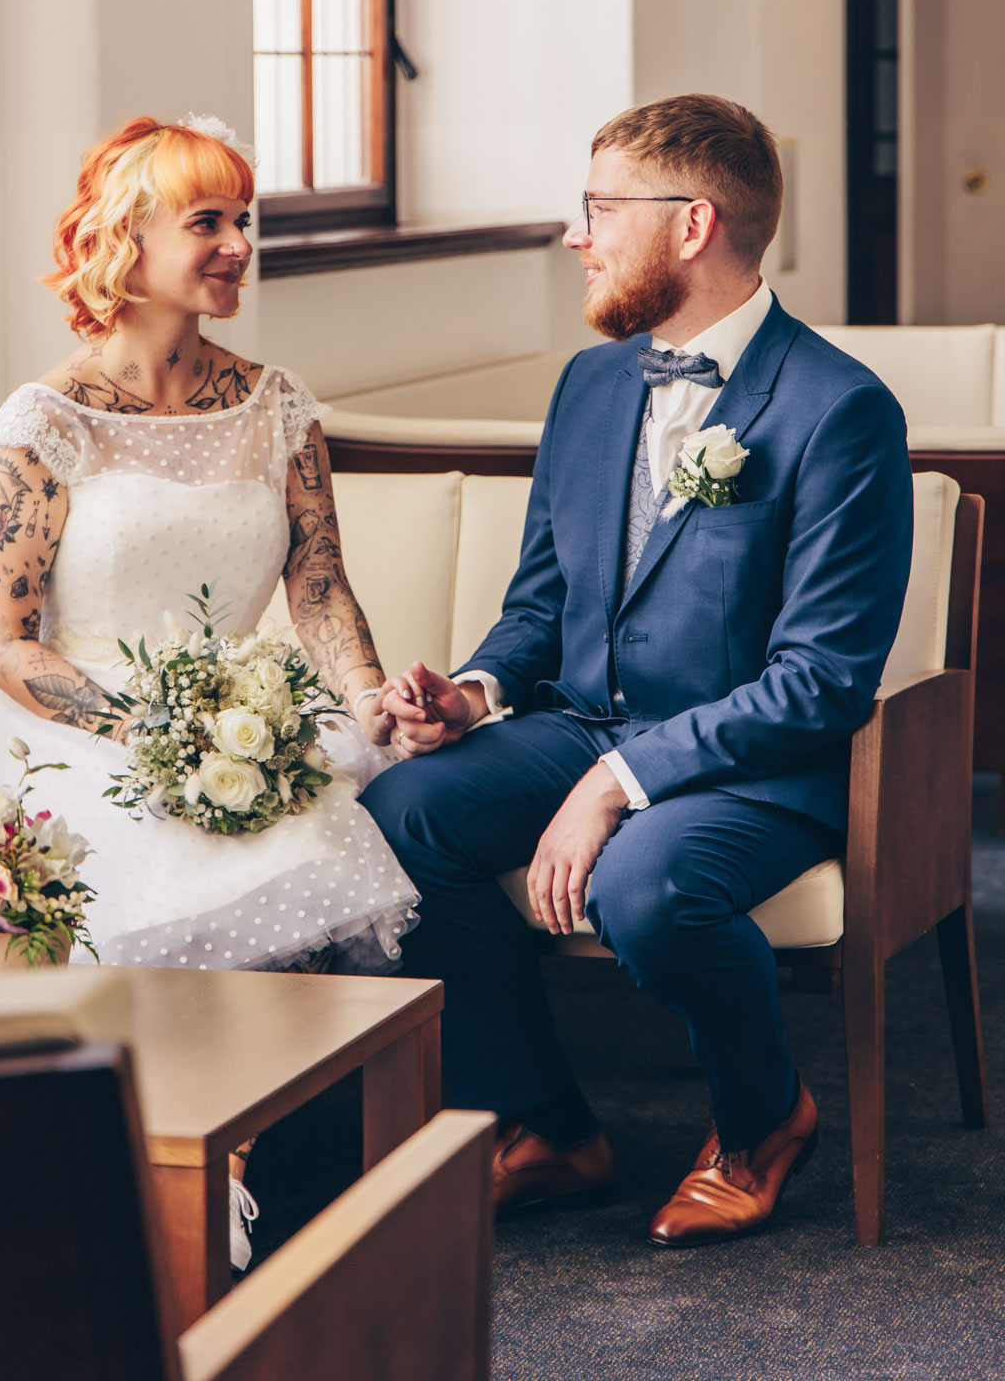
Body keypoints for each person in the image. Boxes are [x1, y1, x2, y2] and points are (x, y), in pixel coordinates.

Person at [0, 112, 418, 1269]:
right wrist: (156, 733)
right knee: (111, 877)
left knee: (297, 843)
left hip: (248, 720)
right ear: (125, 241)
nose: (238, 243)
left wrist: (370, 698)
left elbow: (321, 587)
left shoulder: (275, 404)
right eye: (209, 222)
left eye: (247, 221)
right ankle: (148, 1184)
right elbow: (8, 645)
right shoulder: (43, 422)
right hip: (66, 724)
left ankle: (235, 1154)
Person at [364, 93, 913, 1247]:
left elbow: (819, 679)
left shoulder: (841, 411)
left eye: (600, 208)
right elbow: (542, 604)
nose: (579, 234)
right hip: (577, 724)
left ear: (693, 224)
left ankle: (765, 1121)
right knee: (400, 812)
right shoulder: (591, 383)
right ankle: (545, 1125)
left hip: (756, 765)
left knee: (645, 886)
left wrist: (617, 785)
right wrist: (477, 693)